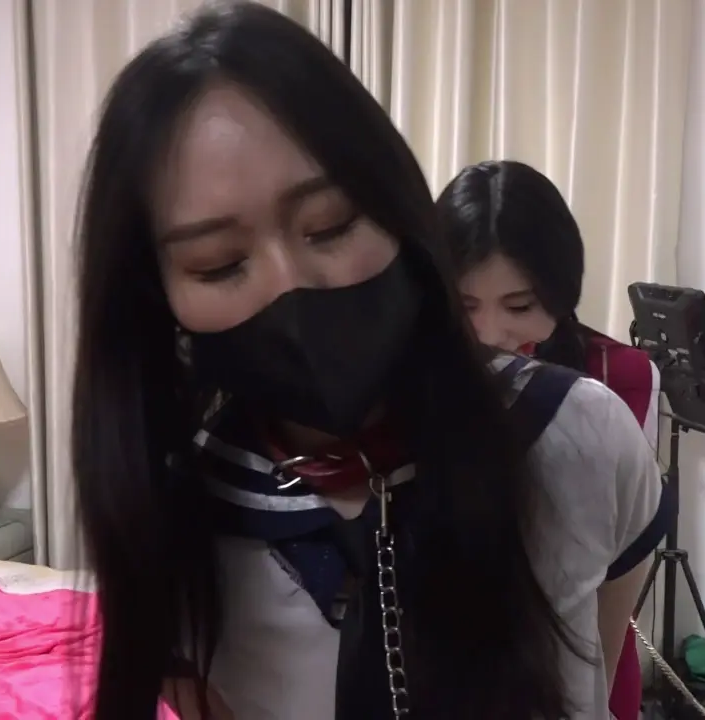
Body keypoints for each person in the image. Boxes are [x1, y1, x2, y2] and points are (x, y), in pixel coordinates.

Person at [70, 3, 671, 719]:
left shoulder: (576, 433)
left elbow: (599, 667)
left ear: (399, 210)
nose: (291, 285)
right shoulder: (175, 509)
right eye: (218, 262)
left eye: (330, 225)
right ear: (157, 295)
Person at [436, 160, 662, 720]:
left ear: (560, 295)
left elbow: (620, 560)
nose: (490, 334)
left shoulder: (615, 377)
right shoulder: (416, 382)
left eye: (519, 307)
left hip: (584, 655)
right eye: (464, 306)